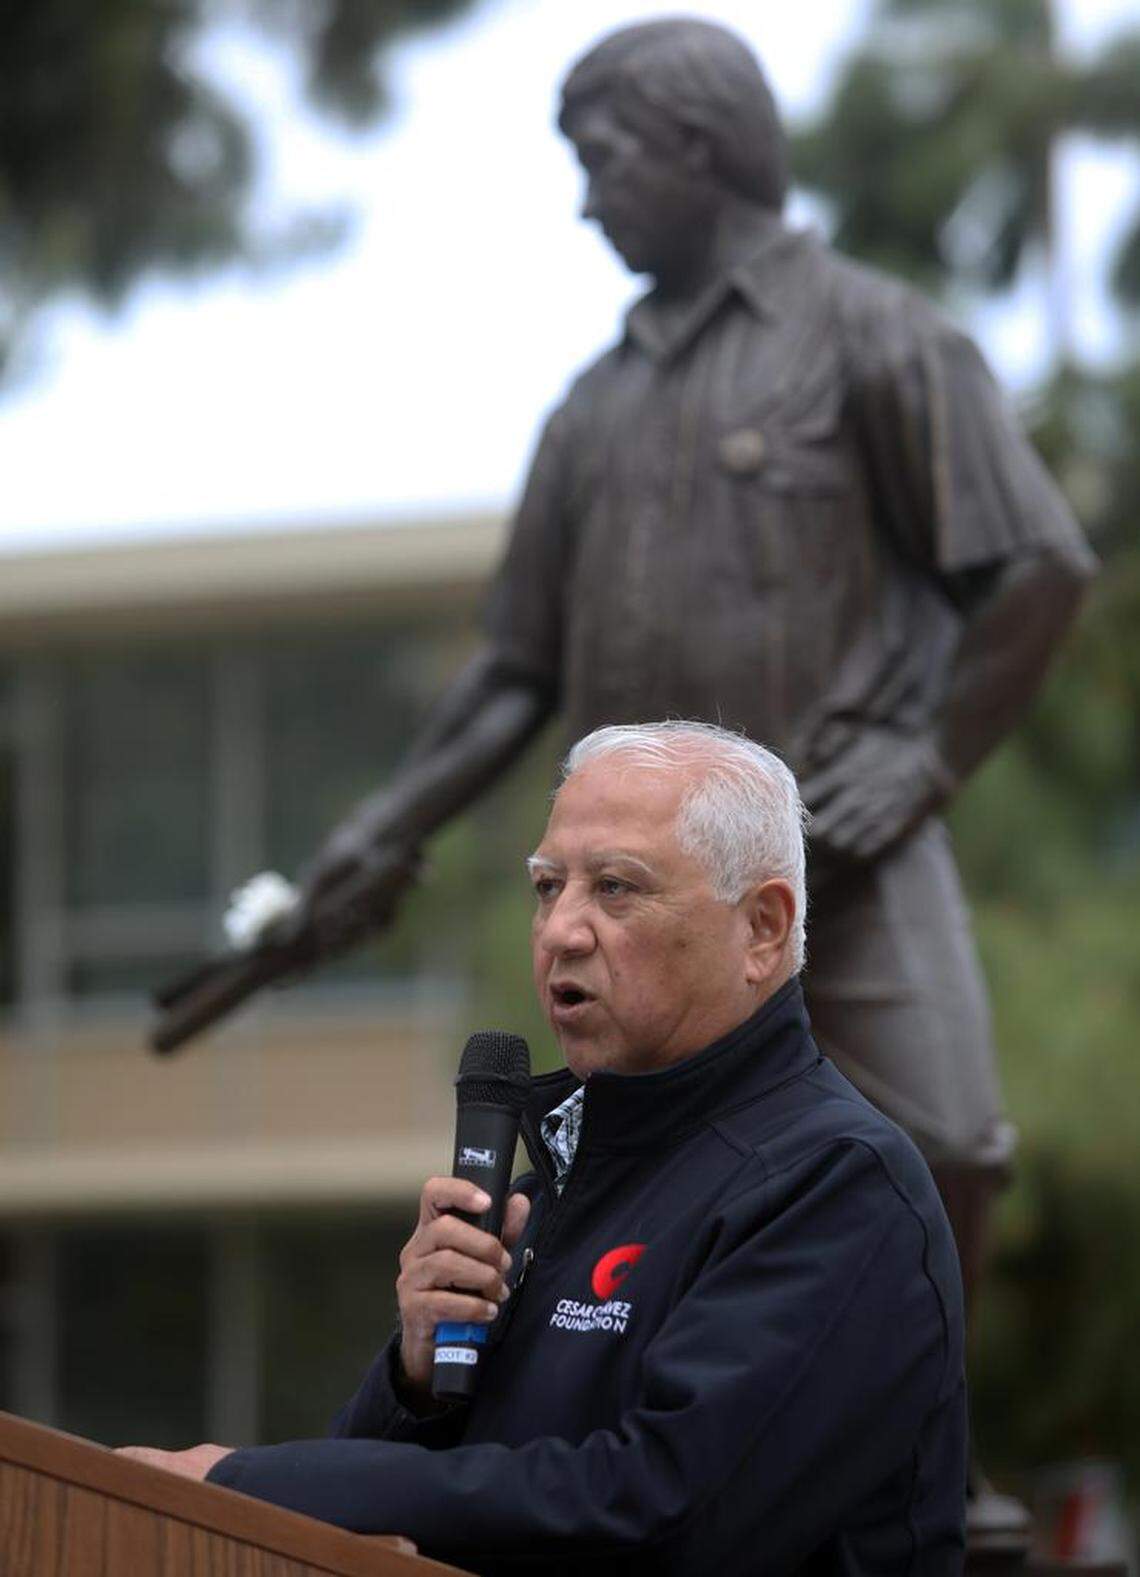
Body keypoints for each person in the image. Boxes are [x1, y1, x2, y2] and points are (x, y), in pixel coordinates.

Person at [274, 19, 1094, 1342]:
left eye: (603, 160)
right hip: (636, 881)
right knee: (613, 1175)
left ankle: (914, 1451)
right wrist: (382, 830)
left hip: (843, 850)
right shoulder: (590, 409)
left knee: (948, 1138)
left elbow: (1038, 567)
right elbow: (512, 668)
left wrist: (924, 759)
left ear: (698, 148)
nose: (587, 198)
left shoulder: (877, 336)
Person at [123, 721, 967, 1576]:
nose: (561, 929)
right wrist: (417, 1375)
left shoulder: (837, 1182)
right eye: (546, 885)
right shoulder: (546, 1188)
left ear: (761, 928)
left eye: (615, 888)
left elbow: (658, 1513)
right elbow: (392, 1528)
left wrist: (257, 1480)